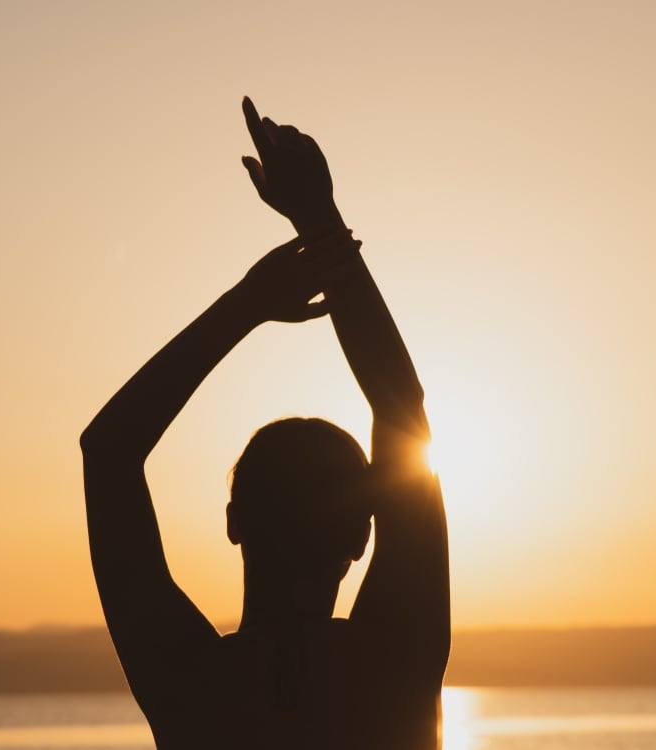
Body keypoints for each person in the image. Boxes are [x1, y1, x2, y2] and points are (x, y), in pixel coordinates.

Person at [80, 97, 450, 750]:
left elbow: (108, 452)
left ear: (233, 522)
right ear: (363, 535)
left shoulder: (190, 682)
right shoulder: (394, 664)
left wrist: (246, 305)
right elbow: (401, 409)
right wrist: (320, 220)